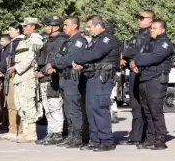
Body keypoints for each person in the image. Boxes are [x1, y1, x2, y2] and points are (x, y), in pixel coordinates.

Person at [73, 15, 122, 152]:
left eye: (90, 26)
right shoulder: (96, 40)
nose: (89, 29)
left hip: (102, 77)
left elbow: (93, 54)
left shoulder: (108, 39)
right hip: (92, 76)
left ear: (98, 26)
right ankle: (95, 140)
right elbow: (87, 53)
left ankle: (106, 140)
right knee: (90, 108)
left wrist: (77, 58)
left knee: (99, 108)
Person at [132, 19, 174, 149]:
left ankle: (160, 138)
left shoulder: (165, 44)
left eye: (155, 28)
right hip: (144, 79)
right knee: (147, 111)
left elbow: (154, 58)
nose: (152, 30)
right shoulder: (149, 43)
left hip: (156, 80)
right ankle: (150, 138)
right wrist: (135, 60)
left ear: (162, 30)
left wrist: (137, 61)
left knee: (155, 111)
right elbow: (138, 55)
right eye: (151, 28)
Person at [48, 17, 90, 148]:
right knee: (67, 108)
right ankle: (71, 134)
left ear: (75, 26)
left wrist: (54, 63)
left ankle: (78, 136)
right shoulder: (68, 42)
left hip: (73, 77)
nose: (64, 27)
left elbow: (71, 59)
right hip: (64, 77)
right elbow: (59, 56)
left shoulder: (79, 41)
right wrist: (55, 62)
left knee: (74, 108)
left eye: (66, 25)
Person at [122, 10, 155, 145]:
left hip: (143, 72)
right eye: (139, 17)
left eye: (142, 18)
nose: (139, 20)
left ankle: (144, 135)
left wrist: (124, 55)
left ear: (151, 20)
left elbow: (138, 50)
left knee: (144, 105)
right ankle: (136, 135)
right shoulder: (139, 34)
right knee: (135, 105)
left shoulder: (150, 35)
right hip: (134, 71)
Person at [37, 16, 68, 145]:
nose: (47, 28)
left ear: (57, 26)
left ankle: (57, 133)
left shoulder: (61, 41)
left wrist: (43, 71)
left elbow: (55, 60)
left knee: (54, 106)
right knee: (47, 107)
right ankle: (51, 131)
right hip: (44, 78)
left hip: (53, 78)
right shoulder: (48, 41)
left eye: (50, 25)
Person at [12, 19, 44, 143]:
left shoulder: (36, 40)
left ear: (33, 26)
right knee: (20, 104)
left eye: (26, 26)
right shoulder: (25, 40)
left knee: (28, 104)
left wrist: (17, 68)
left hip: (28, 76)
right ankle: (25, 132)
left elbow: (31, 57)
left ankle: (31, 134)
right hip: (20, 77)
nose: (24, 28)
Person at [0, 25, 23, 140]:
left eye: (11, 30)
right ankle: (13, 129)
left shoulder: (18, 42)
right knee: (9, 103)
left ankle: (15, 130)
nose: (9, 32)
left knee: (13, 104)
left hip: (15, 75)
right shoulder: (13, 43)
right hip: (8, 75)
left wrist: (3, 69)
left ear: (18, 30)